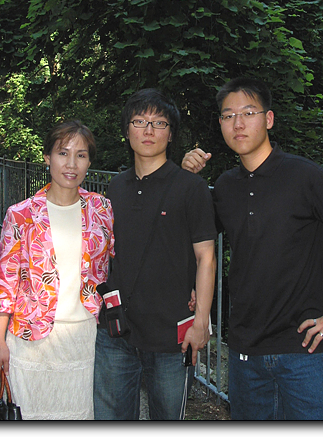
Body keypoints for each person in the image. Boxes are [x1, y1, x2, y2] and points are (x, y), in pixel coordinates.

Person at [182, 77, 323, 421]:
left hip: (304, 351)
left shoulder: (305, 176)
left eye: (248, 112)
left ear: (268, 119)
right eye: (228, 115)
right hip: (244, 352)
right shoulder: (225, 186)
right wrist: (187, 180)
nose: (238, 123)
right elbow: (196, 240)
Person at [93, 88, 217, 420]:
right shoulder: (115, 187)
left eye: (159, 123)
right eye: (139, 121)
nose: (148, 130)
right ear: (127, 130)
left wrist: (201, 321)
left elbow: (206, 257)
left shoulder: (191, 188)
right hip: (116, 330)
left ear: (171, 134)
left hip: (171, 335)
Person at [0, 120, 114, 420]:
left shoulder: (101, 209)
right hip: (30, 339)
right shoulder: (21, 214)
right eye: (63, 153)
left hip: (83, 338)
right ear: (47, 157)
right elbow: (5, 282)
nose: (71, 164)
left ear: (89, 162)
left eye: (81, 155)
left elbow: (121, 260)